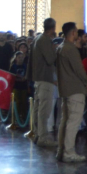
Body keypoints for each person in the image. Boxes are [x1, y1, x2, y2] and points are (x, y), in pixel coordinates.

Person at [55, 22, 87, 163]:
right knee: (73, 122)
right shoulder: (71, 49)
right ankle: (69, 152)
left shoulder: (60, 47)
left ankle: (61, 150)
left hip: (65, 88)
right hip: (75, 88)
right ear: (74, 33)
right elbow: (78, 69)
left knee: (65, 120)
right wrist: (86, 81)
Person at [27, 18, 58, 146]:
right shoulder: (44, 40)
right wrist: (55, 49)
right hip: (45, 79)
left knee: (38, 108)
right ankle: (43, 138)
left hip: (38, 78)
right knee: (44, 110)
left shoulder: (37, 39)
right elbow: (50, 59)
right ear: (53, 28)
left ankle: (37, 133)